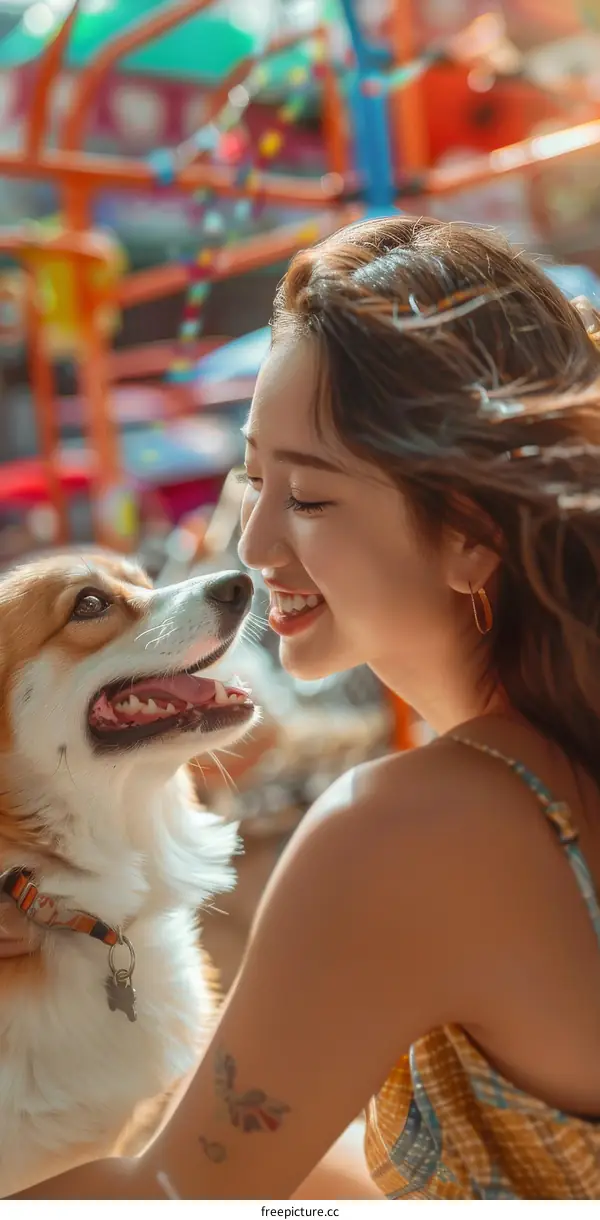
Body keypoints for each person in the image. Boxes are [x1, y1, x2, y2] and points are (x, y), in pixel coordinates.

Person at [14, 216, 600, 1200]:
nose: (252, 543)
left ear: (472, 532)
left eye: (312, 499)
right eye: (254, 476)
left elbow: (172, 1193)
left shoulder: (405, 829)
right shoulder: (545, 768)